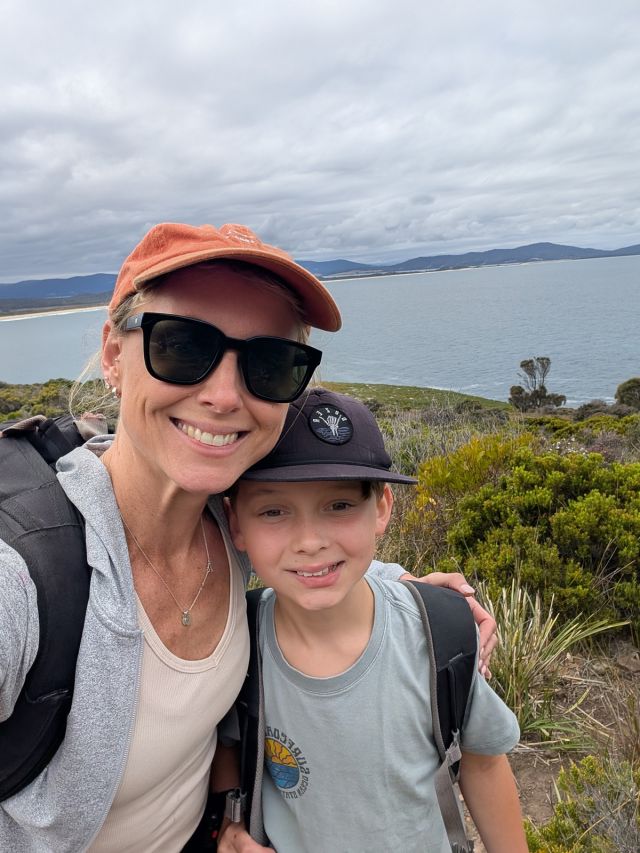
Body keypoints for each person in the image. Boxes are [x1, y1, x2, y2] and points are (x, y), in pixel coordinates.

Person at [0, 222, 497, 852]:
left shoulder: (224, 524)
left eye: (269, 363)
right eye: (181, 346)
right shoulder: (20, 570)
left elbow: (302, 540)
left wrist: (407, 597)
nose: (226, 395)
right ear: (113, 354)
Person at [221, 388, 527, 853]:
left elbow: (483, 763)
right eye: (274, 511)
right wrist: (230, 823)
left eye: (339, 506)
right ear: (236, 523)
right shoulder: (235, 641)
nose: (309, 541)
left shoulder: (433, 633)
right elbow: (227, 745)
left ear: (381, 507)